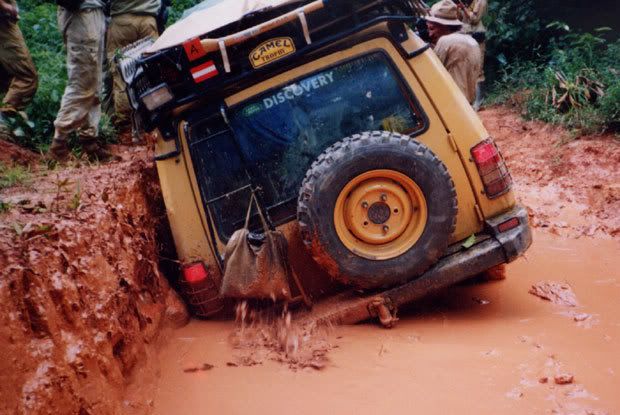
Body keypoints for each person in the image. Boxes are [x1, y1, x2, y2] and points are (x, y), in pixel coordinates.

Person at [49, 0, 116, 162]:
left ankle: (89, 142)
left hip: (92, 12)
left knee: (94, 82)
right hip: (82, 14)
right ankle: (59, 142)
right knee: (82, 83)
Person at [107, 0, 161, 138]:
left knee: (121, 75)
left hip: (121, 21)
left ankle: (126, 126)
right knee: (152, 71)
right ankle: (157, 116)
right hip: (148, 19)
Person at [425, 0, 481, 105]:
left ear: (444, 25)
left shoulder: (445, 41)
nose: (430, 34)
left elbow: (432, 72)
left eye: (432, 28)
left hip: (454, 103)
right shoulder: (472, 41)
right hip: (468, 104)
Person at [0, 0, 38, 137]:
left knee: (7, 78)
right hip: (3, 20)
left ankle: (11, 124)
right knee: (26, 77)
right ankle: (3, 121)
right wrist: (6, 6)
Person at [456, 0, 487, 108]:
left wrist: (464, 8)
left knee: (478, 69)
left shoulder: (480, 1)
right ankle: (469, 100)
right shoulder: (467, 2)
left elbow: (474, 19)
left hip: (476, 35)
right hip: (465, 36)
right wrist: (458, 7)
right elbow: (458, 19)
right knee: (465, 68)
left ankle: (479, 101)